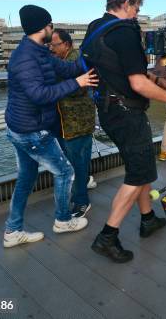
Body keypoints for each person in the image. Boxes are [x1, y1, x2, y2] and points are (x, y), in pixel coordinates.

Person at [83, 0, 166, 263]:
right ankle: (107, 237)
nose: (137, 15)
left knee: (141, 167)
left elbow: (124, 69)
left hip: (108, 110)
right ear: (127, 3)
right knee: (137, 174)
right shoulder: (125, 32)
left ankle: (147, 218)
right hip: (127, 113)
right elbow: (137, 82)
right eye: (137, 9)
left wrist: (160, 81)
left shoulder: (97, 28)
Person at [3, 5, 98, 248]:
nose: (52, 29)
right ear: (43, 27)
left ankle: (12, 231)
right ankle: (63, 221)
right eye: (51, 25)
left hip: (22, 128)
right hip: (31, 130)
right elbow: (39, 95)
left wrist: (90, 55)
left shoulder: (38, 51)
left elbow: (66, 68)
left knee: (26, 178)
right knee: (65, 172)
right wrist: (77, 82)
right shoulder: (26, 58)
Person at [49, 29, 96, 218]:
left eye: (55, 44)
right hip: (64, 122)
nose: (51, 48)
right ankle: (83, 183)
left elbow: (74, 89)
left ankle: (82, 201)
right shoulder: (64, 61)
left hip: (77, 123)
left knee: (77, 162)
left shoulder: (75, 62)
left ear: (67, 45)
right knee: (77, 161)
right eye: (50, 45)